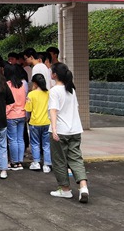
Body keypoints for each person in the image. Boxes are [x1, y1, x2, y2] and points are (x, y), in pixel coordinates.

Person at [48, 63, 89, 203]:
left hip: (60, 130)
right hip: (75, 129)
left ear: (54, 75)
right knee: (76, 158)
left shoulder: (54, 91)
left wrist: (54, 129)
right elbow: (76, 108)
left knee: (59, 160)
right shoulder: (71, 89)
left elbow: (53, 110)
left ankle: (65, 189)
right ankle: (83, 187)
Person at [25, 73, 52, 173]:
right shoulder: (48, 93)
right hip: (46, 122)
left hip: (35, 122)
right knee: (46, 144)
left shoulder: (31, 94)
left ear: (35, 83)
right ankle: (47, 164)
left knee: (35, 143)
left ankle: (36, 162)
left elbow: (28, 109)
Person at [4, 63, 27, 171]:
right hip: (22, 114)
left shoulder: (8, 85)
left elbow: (10, 103)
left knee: (12, 140)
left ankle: (14, 162)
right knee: (20, 139)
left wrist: (5, 113)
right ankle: (20, 161)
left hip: (11, 115)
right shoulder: (21, 85)